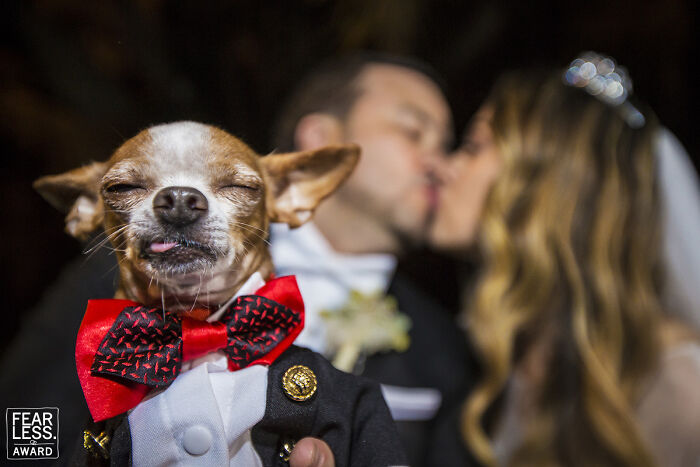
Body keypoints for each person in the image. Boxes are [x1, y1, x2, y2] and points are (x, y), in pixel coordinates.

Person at [2, 52, 473, 466]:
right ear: (317, 140)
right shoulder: (123, 276)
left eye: (448, 144)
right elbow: (22, 418)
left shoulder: (446, 350)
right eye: (415, 131)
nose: (442, 163)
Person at [429, 53, 700, 466]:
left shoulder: (677, 386)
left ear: (543, 182)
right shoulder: (498, 356)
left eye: (473, 146)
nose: (446, 168)